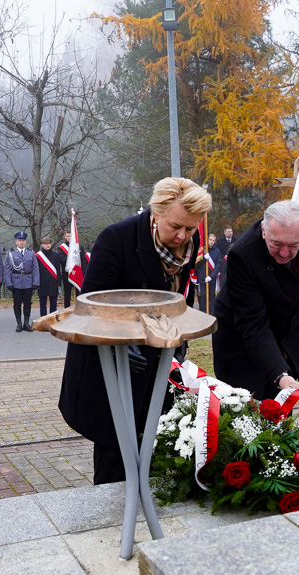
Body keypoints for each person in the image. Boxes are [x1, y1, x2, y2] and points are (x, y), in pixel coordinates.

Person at [60, 177, 210, 484]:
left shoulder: (187, 246)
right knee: (116, 458)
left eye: (190, 229)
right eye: (175, 227)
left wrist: (178, 343)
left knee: (155, 453)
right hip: (112, 371)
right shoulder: (117, 239)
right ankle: (116, 522)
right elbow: (91, 306)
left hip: (158, 367)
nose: (182, 237)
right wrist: (120, 341)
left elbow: (181, 302)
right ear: (156, 214)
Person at [212, 200, 299, 401]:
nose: (285, 253)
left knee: (285, 405)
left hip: (289, 331)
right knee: (253, 409)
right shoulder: (242, 255)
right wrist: (280, 375)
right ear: (264, 231)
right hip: (241, 338)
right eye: (277, 244)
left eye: (294, 245)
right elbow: (253, 325)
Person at [4, 232, 39, 332]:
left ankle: (26, 323)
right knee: (17, 303)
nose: (21, 242)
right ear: (16, 242)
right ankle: (19, 323)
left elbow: (35, 268)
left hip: (28, 281)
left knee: (27, 303)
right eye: (19, 240)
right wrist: (9, 283)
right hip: (16, 282)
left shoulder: (31, 253)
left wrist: (36, 281)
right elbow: (7, 269)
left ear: (25, 241)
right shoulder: (11, 254)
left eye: (23, 240)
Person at [196, 233, 222, 314]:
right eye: (210, 240)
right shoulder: (201, 251)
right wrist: (204, 259)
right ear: (207, 240)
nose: (212, 242)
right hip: (202, 278)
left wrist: (211, 276)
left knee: (211, 298)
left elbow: (218, 266)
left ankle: (211, 315)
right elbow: (196, 265)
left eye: (213, 240)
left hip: (211, 278)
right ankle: (202, 315)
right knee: (202, 298)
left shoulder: (217, 251)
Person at [36, 237, 61, 317]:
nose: (48, 245)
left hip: (53, 282)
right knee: (43, 302)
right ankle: (43, 318)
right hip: (42, 282)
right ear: (42, 244)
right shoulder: (38, 256)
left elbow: (58, 270)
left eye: (49, 243)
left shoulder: (56, 255)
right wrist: (37, 283)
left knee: (53, 302)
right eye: (45, 244)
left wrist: (59, 283)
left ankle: (52, 318)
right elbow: (36, 271)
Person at [57, 230, 80, 308]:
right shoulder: (61, 248)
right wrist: (72, 257)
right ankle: (66, 310)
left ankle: (78, 309)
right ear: (65, 236)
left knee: (78, 294)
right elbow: (63, 261)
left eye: (71, 236)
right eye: (67, 236)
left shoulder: (78, 247)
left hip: (77, 274)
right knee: (67, 295)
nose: (69, 238)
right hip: (67, 274)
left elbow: (82, 260)